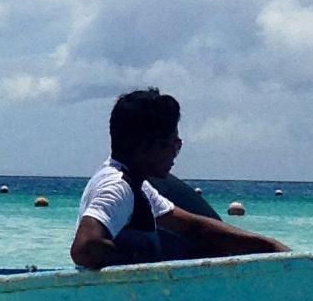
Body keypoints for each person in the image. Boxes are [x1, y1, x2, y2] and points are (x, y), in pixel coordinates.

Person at [70, 87, 287, 271]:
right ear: (144, 146)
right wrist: (143, 262)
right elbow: (84, 248)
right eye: (172, 144)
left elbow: (195, 227)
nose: (176, 152)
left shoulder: (138, 186)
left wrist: (269, 246)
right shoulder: (116, 187)